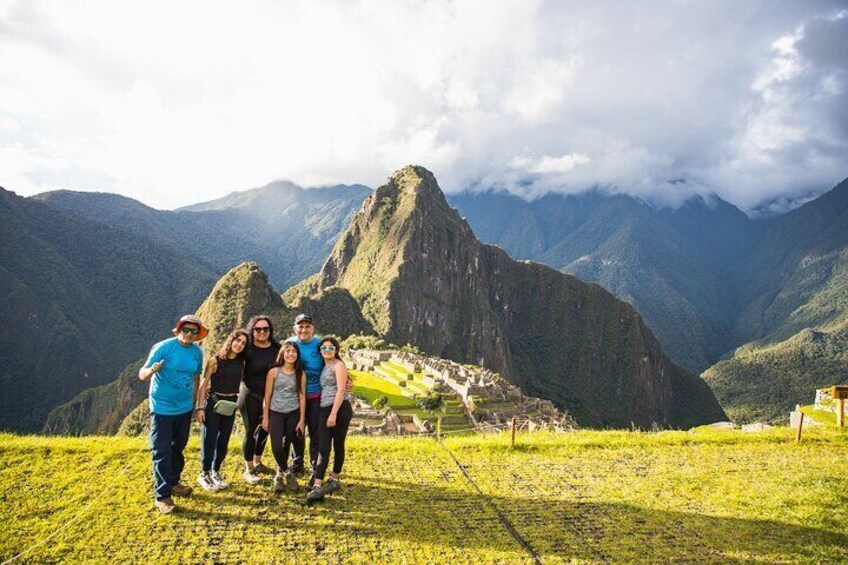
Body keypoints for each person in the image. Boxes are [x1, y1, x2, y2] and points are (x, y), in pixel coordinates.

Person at [139, 314, 207, 514]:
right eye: (186, 329)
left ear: (198, 335)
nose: (189, 334)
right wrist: (152, 370)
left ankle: (174, 482)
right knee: (161, 450)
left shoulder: (197, 353)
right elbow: (142, 374)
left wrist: (195, 404)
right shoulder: (163, 347)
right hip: (162, 408)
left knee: (179, 447)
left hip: (184, 408)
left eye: (194, 331)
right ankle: (162, 495)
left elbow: (196, 377)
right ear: (179, 329)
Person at [195, 329, 248, 492]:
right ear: (230, 340)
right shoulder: (215, 361)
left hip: (231, 403)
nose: (239, 345)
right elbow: (204, 385)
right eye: (237, 340)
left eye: (243, 343)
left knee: (223, 440)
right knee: (209, 438)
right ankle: (204, 473)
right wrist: (200, 407)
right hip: (214, 402)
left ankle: (215, 471)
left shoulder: (241, 363)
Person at [306, 336, 354, 504]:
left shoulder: (338, 365)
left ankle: (334, 478)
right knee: (323, 447)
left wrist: (333, 414)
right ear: (320, 351)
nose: (327, 350)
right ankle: (318, 485)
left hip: (339, 409)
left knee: (338, 444)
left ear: (336, 350)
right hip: (324, 408)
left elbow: (341, 390)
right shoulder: (325, 366)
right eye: (324, 348)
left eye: (330, 348)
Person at [239, 315, 281, 484]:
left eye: (265, 329)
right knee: (250, 432)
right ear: (252, 331)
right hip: (250, 396)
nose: (262, 332)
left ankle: (257, 461)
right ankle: (248, 468)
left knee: (265, 429)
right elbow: (230, 362)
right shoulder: (246, 349)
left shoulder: (277, 348)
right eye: (258, 329)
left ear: (270, 331)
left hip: (271, 397)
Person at [262, 341, 306, 493]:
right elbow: (267, 396)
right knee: (276, 446)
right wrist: (265, 417)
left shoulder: (301, 373)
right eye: (288, 351)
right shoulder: (274, 372)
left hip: (293, 412)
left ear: (297, 355)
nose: (291, 354)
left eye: (294, 351)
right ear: (282, 353)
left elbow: (302, 397)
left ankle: (279, 476)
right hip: (275, 412)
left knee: (287, 444)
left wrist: (301, 420)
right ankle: (288, 472)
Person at [285, 314, 323, 476]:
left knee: (315, 431)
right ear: (295, 328)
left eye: (307, 326)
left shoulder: (320, 344)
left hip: (315, 395)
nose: (304, 329)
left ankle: (316, 465)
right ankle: (297, 463)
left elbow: (333, 362)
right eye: (300, 326)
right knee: (296, 431)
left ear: (312, 328)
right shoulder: (290, 344)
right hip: (294, 396)